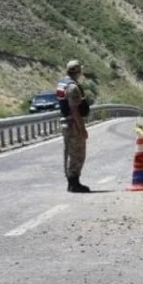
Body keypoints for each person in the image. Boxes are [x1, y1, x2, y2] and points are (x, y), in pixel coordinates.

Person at [56, 60, 91, 193]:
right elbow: (74, 110)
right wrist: (82, 129)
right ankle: (74, 182)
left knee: (69, 152)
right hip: (73, 124)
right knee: (77, 154)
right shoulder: (73, 87)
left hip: (66, 123)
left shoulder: (62, 84)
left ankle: (72, 182)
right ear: (78, 71)